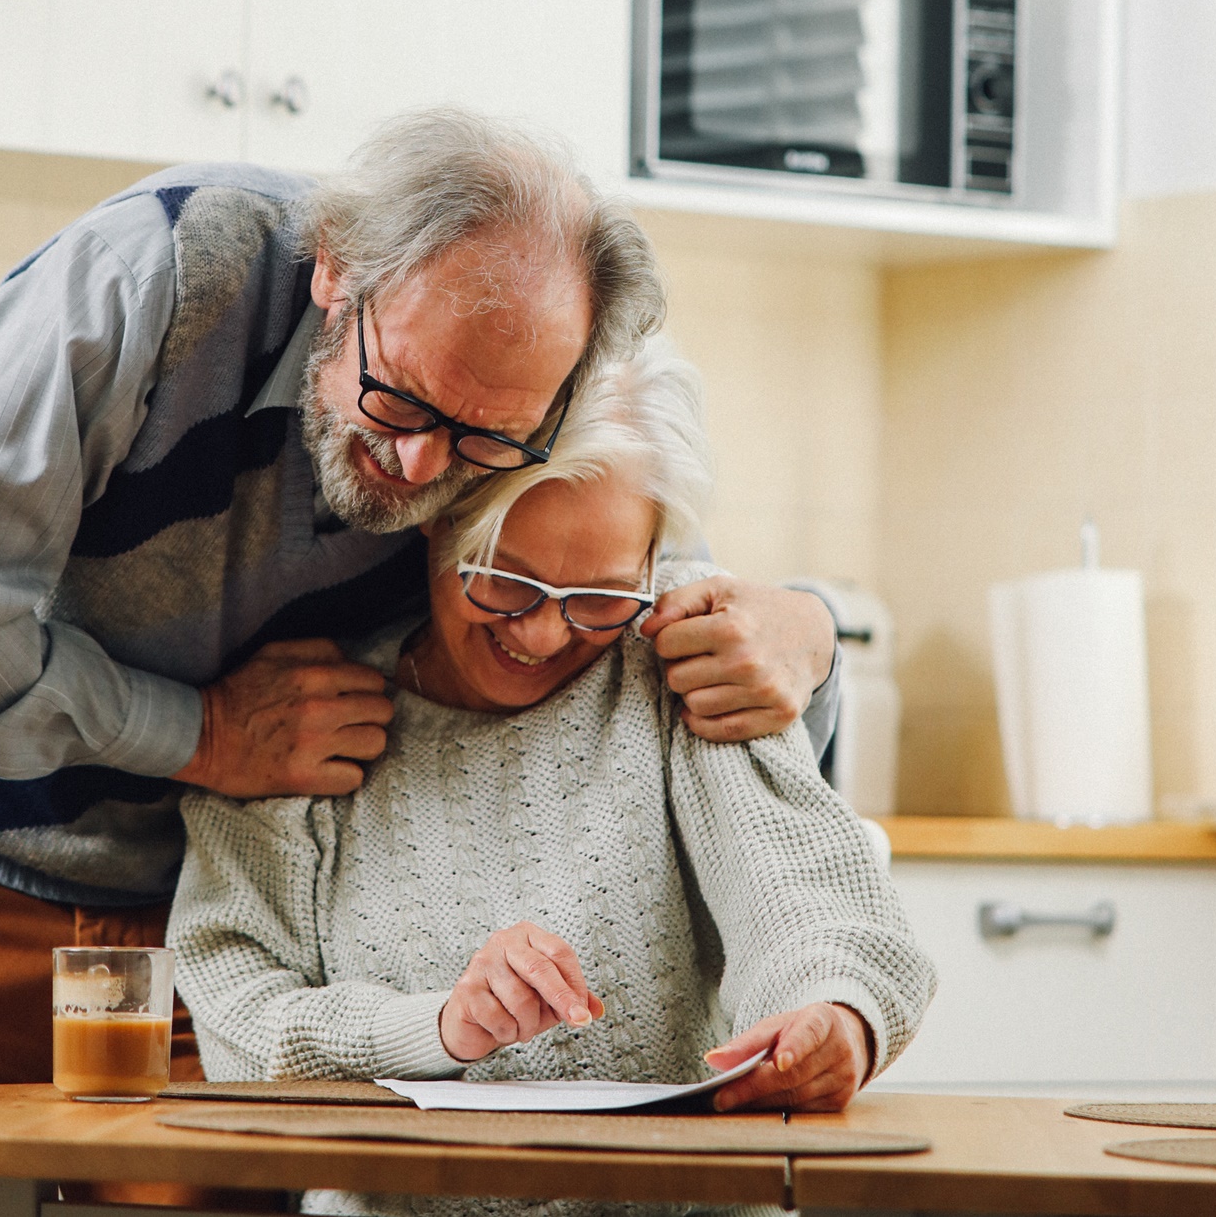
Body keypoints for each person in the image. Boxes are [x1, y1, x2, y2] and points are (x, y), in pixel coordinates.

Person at [0, 110, 842, 1217]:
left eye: (485, 441)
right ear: (334, 275)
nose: (421, 466)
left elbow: (642, 586)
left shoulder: (539, 385)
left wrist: (810, 628)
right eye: (399, 398)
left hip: (194, 906)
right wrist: (203, 734)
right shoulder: (153, 277)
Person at [169, 338, 936, 1217]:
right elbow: (237, 1018)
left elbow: (815, 901)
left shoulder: (676, 661)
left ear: (653, 565)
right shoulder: (301, 723)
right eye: (502, 582)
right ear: (433, 514)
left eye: (601, 598)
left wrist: (837, 1016)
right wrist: (437, 1028)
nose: (539, 637)